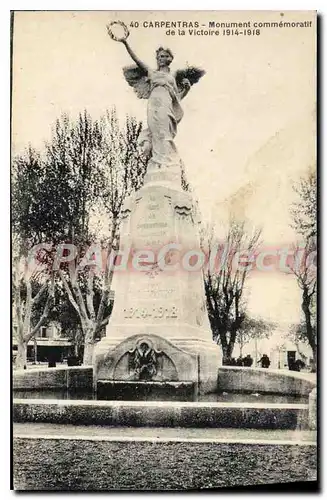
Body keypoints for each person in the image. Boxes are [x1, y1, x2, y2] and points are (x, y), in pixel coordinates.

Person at [115, 34, 205, 168]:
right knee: (156, 129)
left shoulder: (172, 79)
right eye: (159, 57)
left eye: (164, 56)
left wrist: (187, 89)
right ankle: (157, 162)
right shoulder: (151, 73)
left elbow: (177, 98)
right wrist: (125, 43)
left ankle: (166, 162)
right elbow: (136, 59)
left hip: (167, 104)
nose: (161, 59)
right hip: (154, 104)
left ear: (170, 59)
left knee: (165, 132)